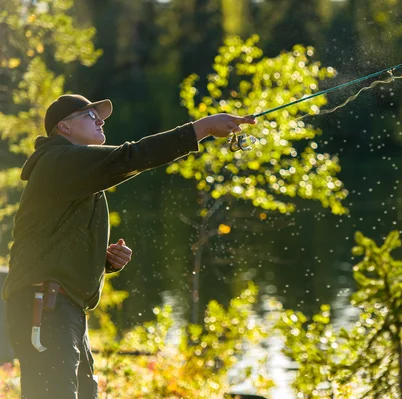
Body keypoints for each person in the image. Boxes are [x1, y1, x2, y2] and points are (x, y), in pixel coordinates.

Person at [1, 94, 256, 399]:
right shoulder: (59, 161)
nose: (100, 119)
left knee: (84, 393)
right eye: (88, 115)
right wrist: (201, 128)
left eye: (100, 115)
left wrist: (103, 261)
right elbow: (131, 156)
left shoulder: (72, 172)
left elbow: (54, 242)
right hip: (45, 305)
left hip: (60, 306)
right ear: (64, 128)